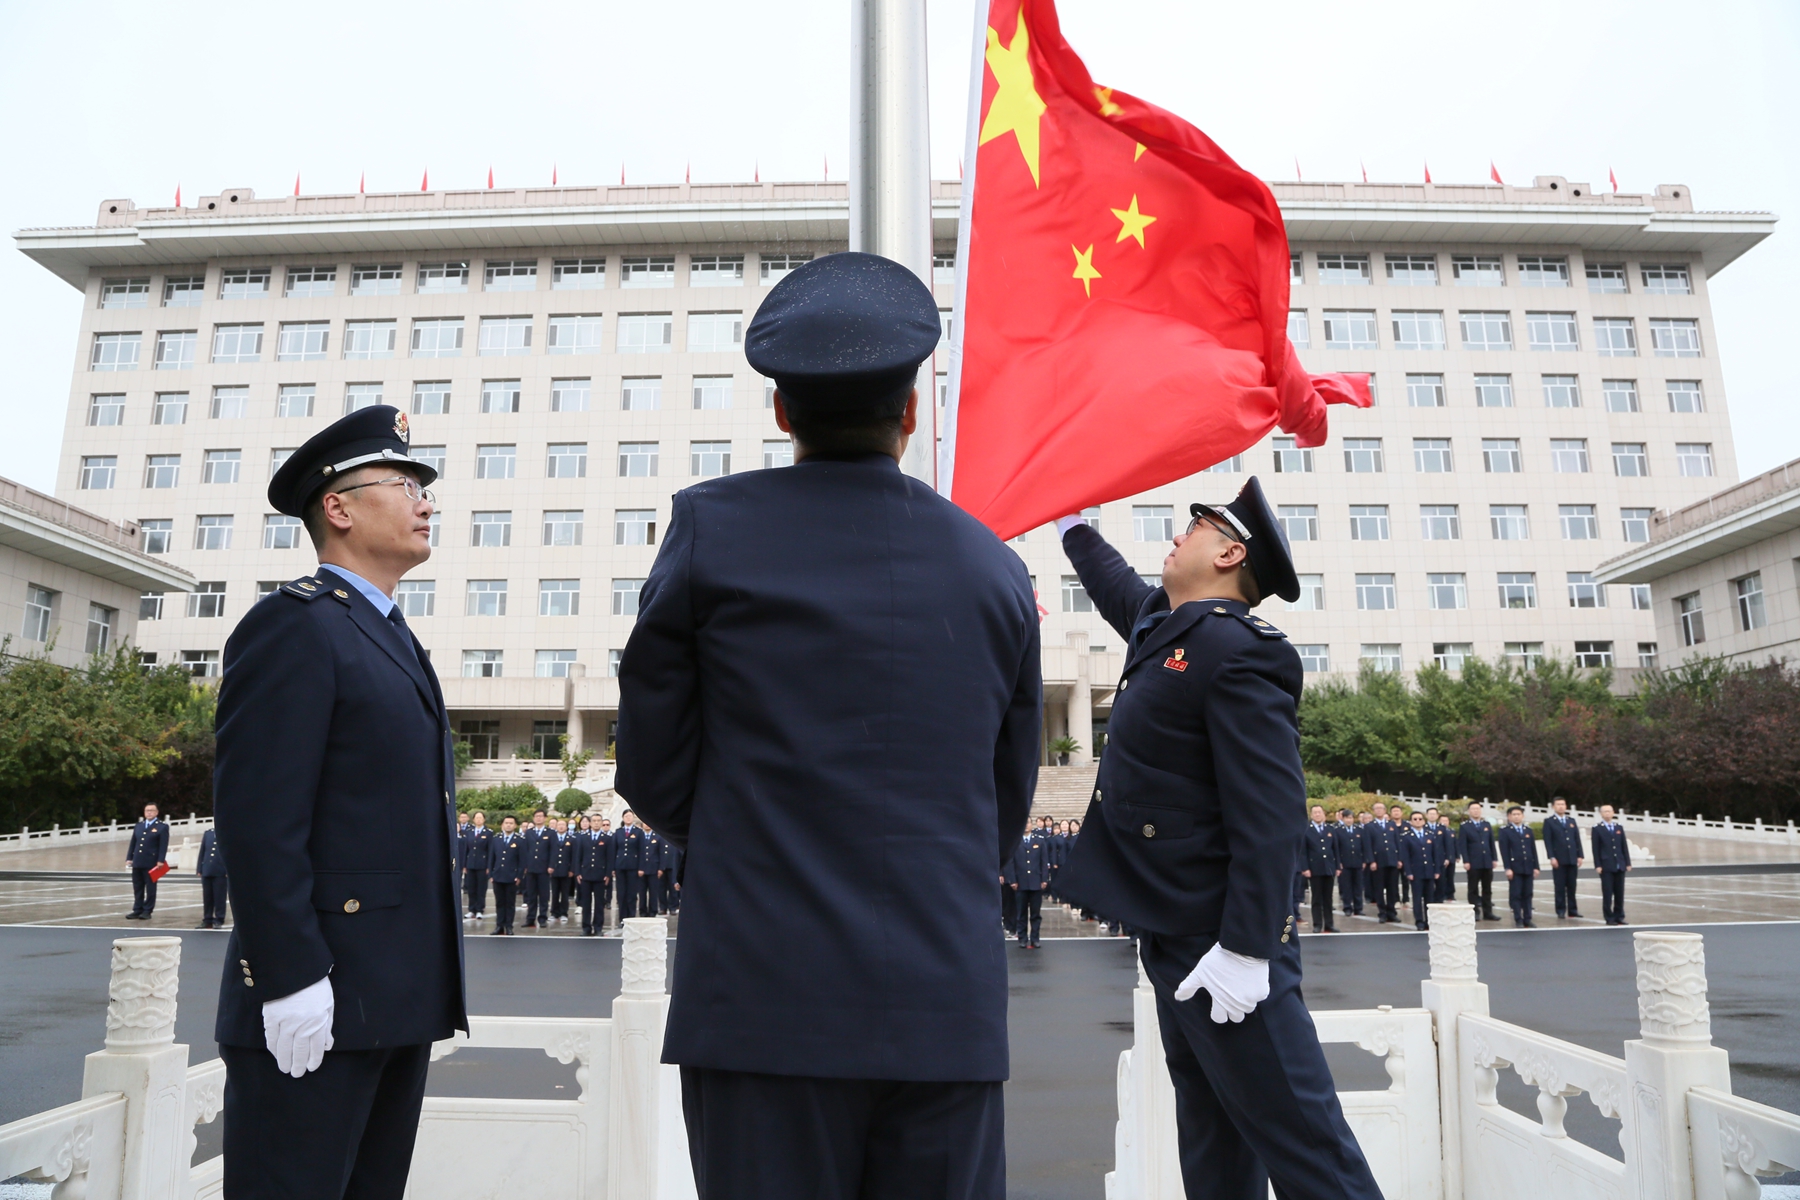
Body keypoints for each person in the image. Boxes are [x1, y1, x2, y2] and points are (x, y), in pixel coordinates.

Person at [616, 252, 1041, 1200]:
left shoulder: (711, 531)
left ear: (781, 411)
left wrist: (750, 841)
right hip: (943, 1005)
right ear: (912, 411)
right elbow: (1005, 794)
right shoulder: (993, 565)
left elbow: (651, 765)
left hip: (763, 998)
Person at [1054, 477, 1382, 1200]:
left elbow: (1272, 812)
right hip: (1173, 930)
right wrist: (1071, 522)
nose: (1177, 536)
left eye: (1194, 528)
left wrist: (1246, 949)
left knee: (1309, 1150)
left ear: (1230, 554)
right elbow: (1116, 588)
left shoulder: (1239, 651)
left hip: (1221, 940)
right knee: (1214, 1143)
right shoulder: (1168, 628)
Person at [211, 404, 464, 1200]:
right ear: (340, 508)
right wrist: (289, 977)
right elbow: (259, 819)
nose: (425, 502)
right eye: (404, 485)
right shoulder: (295, 627)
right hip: (316, 998)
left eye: (425, 488)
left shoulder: (387, 634)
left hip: (392, 1000)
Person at [1008, 821, 1051, 948]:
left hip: (1036, 882)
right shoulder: (1015, 842)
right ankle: (1022, 938)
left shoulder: (1040, 841)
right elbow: (1011, 862)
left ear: (1032, 825)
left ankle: (1035, 938)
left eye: (1029, 823)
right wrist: (1013, 880)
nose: (1026, 825)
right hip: (1020, 883)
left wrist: (1044, 879)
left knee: (1035, 914)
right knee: (1021, 913)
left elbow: (1044, 862)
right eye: (1025, 823)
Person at [1498, 805, 1541, 928]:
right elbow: (1505, 851)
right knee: (1516, 894)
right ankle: (1518, 919)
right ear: (1509, 816)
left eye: (1519, 814)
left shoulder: (1528, 830)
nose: (1516, 817)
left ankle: (1528, 918)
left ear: (1523, 816)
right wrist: (1507, 868)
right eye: (1514, 814)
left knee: (1528, 894)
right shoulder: (1505, 831)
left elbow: (1533, 850)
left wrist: (1536, 867)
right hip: (1515, 867)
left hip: (1528, 866)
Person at [125, 802, 168, 920]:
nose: (149, 813)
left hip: (151, 861)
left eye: (151, 810)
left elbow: (163, 845)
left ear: (156, 812)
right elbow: (133, 842)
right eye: (147, 811)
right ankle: (137, 909)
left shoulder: (162, 827)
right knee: (138, 886)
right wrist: (129, 857)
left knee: (150, 887)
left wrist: (160, 860)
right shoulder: (139, 826)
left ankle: (147, 910)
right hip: (138, 861)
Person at [1543, 797, 1585, 919]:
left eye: (1563, 804)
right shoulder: (1549, 822)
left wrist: (1580, 855)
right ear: (1553, 806)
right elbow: (1548, 841)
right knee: (1560, 886)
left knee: (1572, 885)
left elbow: (1577, 839)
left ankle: (1573, 910)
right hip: (1559, 859)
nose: (1561, 806)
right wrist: (1552, 857)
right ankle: (1560, 910)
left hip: (1572, 857)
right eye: (1558, 804)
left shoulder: (1571, 821)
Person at [1398, 812, 1441, 931]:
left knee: (1430, 898)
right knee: (1417, 898)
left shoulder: (1430, 835)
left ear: (1424, 821)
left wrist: (1437, 870)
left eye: (1420, 819)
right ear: (1410, 822)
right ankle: (1419, 921)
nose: (1418, 821)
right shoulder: (1406, 836)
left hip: (1429, 871)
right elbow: (1405, 856)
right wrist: (1408, 872)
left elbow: (1435, 854)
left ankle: (1429, 920)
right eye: (1415, 819)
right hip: (1416, 871)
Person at [1591, 804, 1632, 925]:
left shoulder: (1618, 827)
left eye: (1609, 811)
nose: (1607, 813)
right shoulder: (1597, 829)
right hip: (1606, 865)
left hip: (1619, 864)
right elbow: (1595, 849)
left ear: (1613, 812)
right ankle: (1609, 917)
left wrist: (1627, 862)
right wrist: (1598, 865)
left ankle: (1619, 916)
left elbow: (1624, 846)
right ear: (1601, 814)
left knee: (1619, 893)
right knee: (1608, 893)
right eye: (1605, 811)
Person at [1457, 801, 1499, 921]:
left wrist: (1494, 858)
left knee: (1487, 888)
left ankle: (1488, 912)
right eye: (1473, 809)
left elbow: (1491, 843)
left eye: (1478, 808)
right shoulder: (1465, 826)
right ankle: (1474, 912)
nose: (1476, 811)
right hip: (1473, 862)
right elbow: (1463, 845)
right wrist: (1466, 861)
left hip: (1487, 861)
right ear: (1469, 811)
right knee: (1473, 889)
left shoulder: (1486, 824)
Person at [1302, 805, 1339, 933]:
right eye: (1315, 812)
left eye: (1319, 812)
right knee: (1316, 898)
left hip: (1329, 867)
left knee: (1328, 898)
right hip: (1314, 868)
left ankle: (1329, 924)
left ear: (1323, 814)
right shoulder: (1307, 830)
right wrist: (1305, 868)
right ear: (1311, 815)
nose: (1317, 814)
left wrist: (1337, 866)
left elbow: (1335, 849)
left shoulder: (1330, 829)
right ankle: (1317, 924)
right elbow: (1303, 852)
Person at [1364, 801, 1401, 924]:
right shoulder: (1369, 826)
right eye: (1377, 808)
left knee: (1392, 888)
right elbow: (1367, 845)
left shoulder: (1392, 825)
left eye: (1381, 808)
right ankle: (1382, 913)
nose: (1379, 810)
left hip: (1392, 860)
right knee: (1379, 888)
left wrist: (1399, 859)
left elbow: (1397, 842)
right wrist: (1371, 861)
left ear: (1385, 811)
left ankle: (1392, 912)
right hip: (1378, 861)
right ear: (1374, 811)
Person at [574, 816, 611, 935]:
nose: (596, 823)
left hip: (600, 875)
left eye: (598, 821)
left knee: (599, 903)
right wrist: (578, 872)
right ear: (590, 823)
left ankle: (598, 927)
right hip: (585, 874)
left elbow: (609, 858)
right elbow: (578, 856)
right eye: (594, 821)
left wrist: (608, 874)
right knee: (586, 903)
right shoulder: (583, 838)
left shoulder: (607, 838)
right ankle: (586, 927)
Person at [489, 817, 522, 935]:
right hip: (498, 875)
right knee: (499, 902)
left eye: (511, 823)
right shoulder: (496, 839)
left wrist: (519, 876)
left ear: (515, 825)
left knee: (510, 903)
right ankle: (499, 925)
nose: (508, 825)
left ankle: (509, 926)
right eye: (506, 823)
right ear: (502, 825)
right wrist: (491, 874)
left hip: (511, 876)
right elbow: (491, 857)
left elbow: (522, 860)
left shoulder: (519, 840)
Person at [521, 809, 553, 929]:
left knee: (544, 895)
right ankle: (530, 918)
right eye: (536, 816)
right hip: (531, 868)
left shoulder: (550, 833)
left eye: (540, 816)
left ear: (545, 818)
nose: (538, 818)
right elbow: (525, 850)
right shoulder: (529, 833)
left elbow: (553, 851)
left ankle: (543, 918)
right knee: (531, 895)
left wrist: (551, 865)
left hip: (544, 868)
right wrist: (524, 866)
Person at [612, 810, 646, 920]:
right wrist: (613, 868)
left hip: (633, 866)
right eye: (626, 816)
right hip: (620, 866)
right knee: (621, 894)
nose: (628, 818)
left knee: (632, 894)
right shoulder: (618, 832)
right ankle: (622, 918)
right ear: (623, 818)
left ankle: (631, 917)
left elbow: (642, 851)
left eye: (630, 816)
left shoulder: (638, 832)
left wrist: (641, 867)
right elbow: (614, 850)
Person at [1331, 809, 1363, 917]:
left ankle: (1358, 908)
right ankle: (1347, 907)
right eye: (1347, 818)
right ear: (1343, 819)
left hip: (1357, 862)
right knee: (1346, 887)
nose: (1349, 820)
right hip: (1344, 863)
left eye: (1351, 818)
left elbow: (1363, 846)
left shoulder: (1359, 830)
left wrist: (1364, 860)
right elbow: (1336, 848)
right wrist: (1338, 862)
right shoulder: (1338, 830)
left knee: (1358, 886)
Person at [197, 824, 228, 929]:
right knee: (207, 897)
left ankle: (219, 919)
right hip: (207, 869)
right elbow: (202, 851)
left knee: (219, 897)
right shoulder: (208, 833)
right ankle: (207, 919)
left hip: (220, 870)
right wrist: (199, 868)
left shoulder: (226, 833)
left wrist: (228, 870)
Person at [463, 811, 491, 923]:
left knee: (481, 888)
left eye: (480, 818)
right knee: (471, 888)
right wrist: (464, 864)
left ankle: (479, 909)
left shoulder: (488, 833)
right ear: (473, 819)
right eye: (477, 818)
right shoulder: (469, 832)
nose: (478, 819)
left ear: (484, 819)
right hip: (471, 864)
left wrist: (489, 866)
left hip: (482, 864)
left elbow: (490, 851)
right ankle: (471, 909)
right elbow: (466, 849)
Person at [548, 817, 573, 924]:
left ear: (567, 827)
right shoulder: (552, 838)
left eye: (563, 825)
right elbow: (549, 853)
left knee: (565, 893)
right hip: (554, 869)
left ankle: (564, 913)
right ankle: (554, 912)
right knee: (554, 893)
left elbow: (574, 856)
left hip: (566, 870)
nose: (561, 827)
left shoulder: (571, 839)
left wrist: (572, 869)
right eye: (559, 825)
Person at [1428, 808, 1456, 903]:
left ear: (1437, 816)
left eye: (1434, 814)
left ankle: (1439, 900)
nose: (1432, 816)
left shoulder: (1442, 828)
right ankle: (1430, 900)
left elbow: (1447, 844)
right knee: (1429, 882)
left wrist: (1447, 857)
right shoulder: (1423, 827)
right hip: (1427, 859)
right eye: (1430, 814)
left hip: (1440, 859)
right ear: (1427, 815)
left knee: (1441, 881)